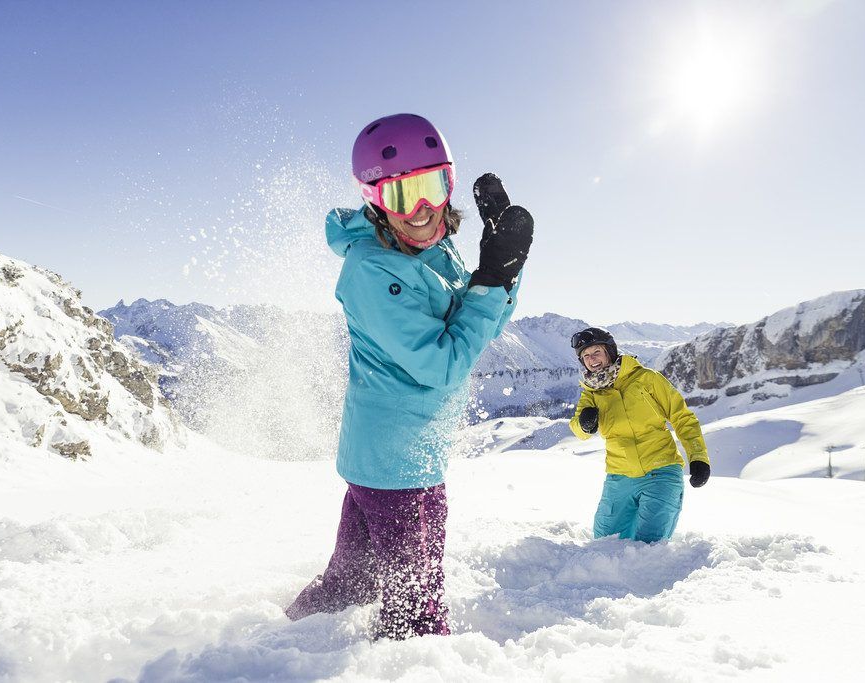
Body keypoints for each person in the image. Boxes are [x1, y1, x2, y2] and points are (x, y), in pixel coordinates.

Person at [285, 113, 534, 639]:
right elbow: (444, 363)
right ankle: (413, 666)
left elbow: (479, 323)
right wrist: (491, 281)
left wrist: (503, 272)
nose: (421, 211)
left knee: (351, 584)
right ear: (375, 201)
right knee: (415, 611)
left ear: (449, 184)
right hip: (394, 463)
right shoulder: (372, 270)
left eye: (432, 188)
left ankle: (282, 638)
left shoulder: (433, 249)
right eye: (402, 196)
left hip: (404, 456)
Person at [568, 327, 710, 543]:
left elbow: (682, 417)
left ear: (609, 352)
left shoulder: (646, 379)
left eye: (596, 352)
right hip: (619, 477)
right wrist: (584, 424)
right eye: (585, 356)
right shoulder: (592, 393)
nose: (591, 359)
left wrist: (698, 457)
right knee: (604, 544)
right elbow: (578, 431)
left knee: (648, 546)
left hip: (660, 471)